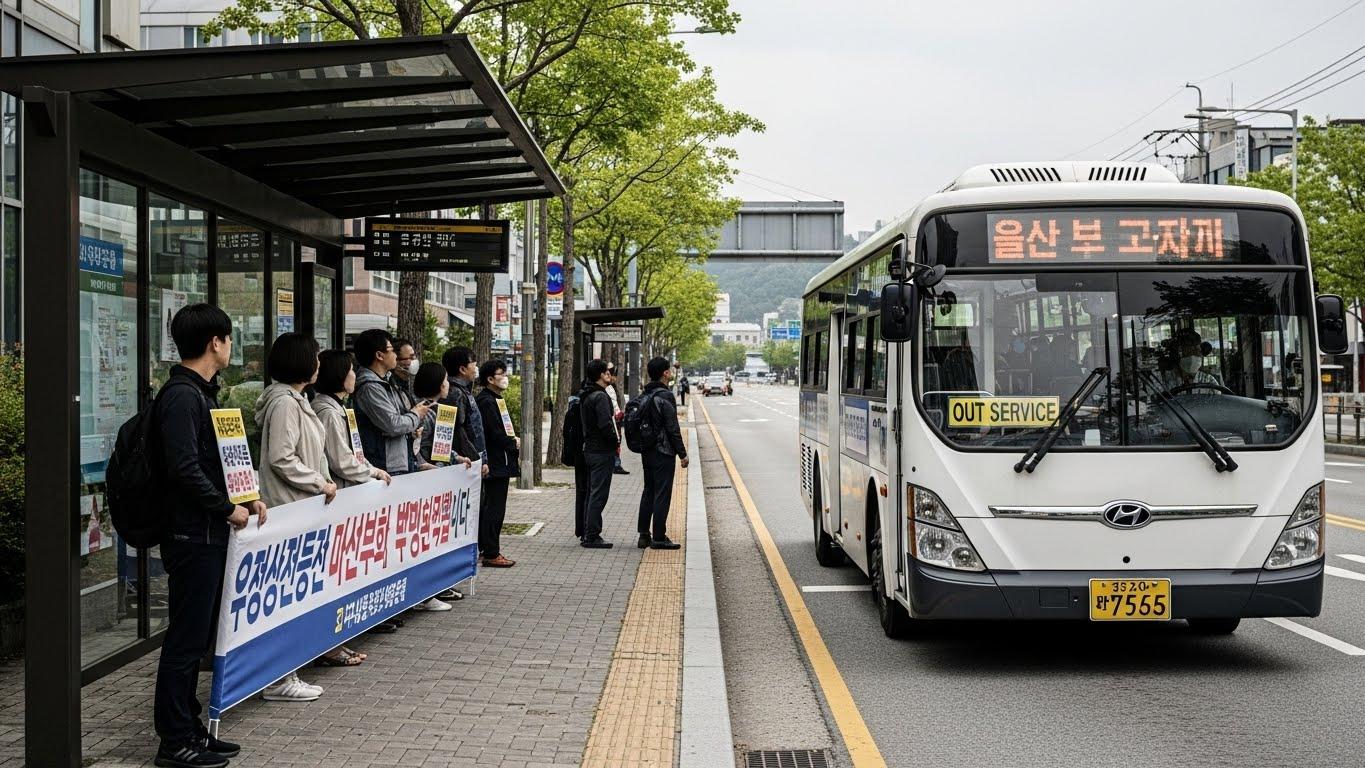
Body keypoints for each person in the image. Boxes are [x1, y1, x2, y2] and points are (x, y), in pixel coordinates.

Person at [152, 304, 263, 768]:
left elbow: (213, 463)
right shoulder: (181, 396)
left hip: (205, 532)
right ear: (214, 342)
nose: (231, 346)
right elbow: (183, 469)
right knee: (185, 640)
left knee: (196, 638)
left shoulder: (200, 393)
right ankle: (173, 740)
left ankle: (190, 729)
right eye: (229, 338)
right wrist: (225, 508)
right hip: (190, 535)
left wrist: (248, 496)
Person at [254, 332, 335, 702]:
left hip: (298, 506)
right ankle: (279, 678)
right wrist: (318, 481)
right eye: (315, 358)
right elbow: (281, 457)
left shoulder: (295, 400)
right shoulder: (286, 404)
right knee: (285, 595)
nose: (319, 364)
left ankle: (285, 672)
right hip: (290, 506)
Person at [310, 349, 391, 655]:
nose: (355, 376)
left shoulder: (337, 407)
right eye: (350, 371)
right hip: (336, 499)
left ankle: (337, 643)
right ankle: (331, 646)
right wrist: (372, 472)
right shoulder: (328, 411)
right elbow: (341, 461)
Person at [352, 329, 430, 477]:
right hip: (385, 464)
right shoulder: (371, 388)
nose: (395, 354)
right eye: (391, 350)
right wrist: (415, 415)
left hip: (396, 460)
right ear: (379, 355)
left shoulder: (386, 382)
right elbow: (393, 424)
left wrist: (411, 428)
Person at [637, 357, 688, 550]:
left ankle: (644, 535)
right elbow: (672, 428)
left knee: (648, 490)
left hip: (646, 450)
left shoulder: (646, 393)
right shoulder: (665, 396)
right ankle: (658, 537)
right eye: (669, 370)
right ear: (665, 373)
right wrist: (682, 454)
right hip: (663, 451)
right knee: (662, 493)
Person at [475, 359, 520, 567]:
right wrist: (511, 443)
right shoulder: (486, 401)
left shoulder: (494, 399)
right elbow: (493, 433)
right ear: (490, 379)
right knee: (494, 508)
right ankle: (491, 552)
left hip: (499, 460)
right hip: (495, 462)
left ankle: (487, 549)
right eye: (501, 374)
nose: (505, 377)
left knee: (491, 507)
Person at [580, 359, 619, 548]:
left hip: (590, 449)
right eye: (607, 372)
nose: (610, 375)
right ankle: (592, 535)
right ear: (602, 375)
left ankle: (588, 532)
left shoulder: (587, 394)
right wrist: (615, 441)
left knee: (591, 492)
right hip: (601, 451)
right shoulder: (600, 397)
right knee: (599, 494)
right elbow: (606, 425)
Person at [414, 361, 474, 471]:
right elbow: (419, 447)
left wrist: (456, 457)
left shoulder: (436, 409)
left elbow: (440, 446)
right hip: (427, 473)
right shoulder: (423, 412)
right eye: (445, 379)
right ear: (439, 385)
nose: (448, 383)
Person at [441, 346, 490, 479]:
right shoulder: (455, 393)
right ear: (462, 369)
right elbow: (459, 431)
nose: (476, 369)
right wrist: (476, 458)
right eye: (474, 365)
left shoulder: (462, 391)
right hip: (465, 462)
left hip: (471, 460)